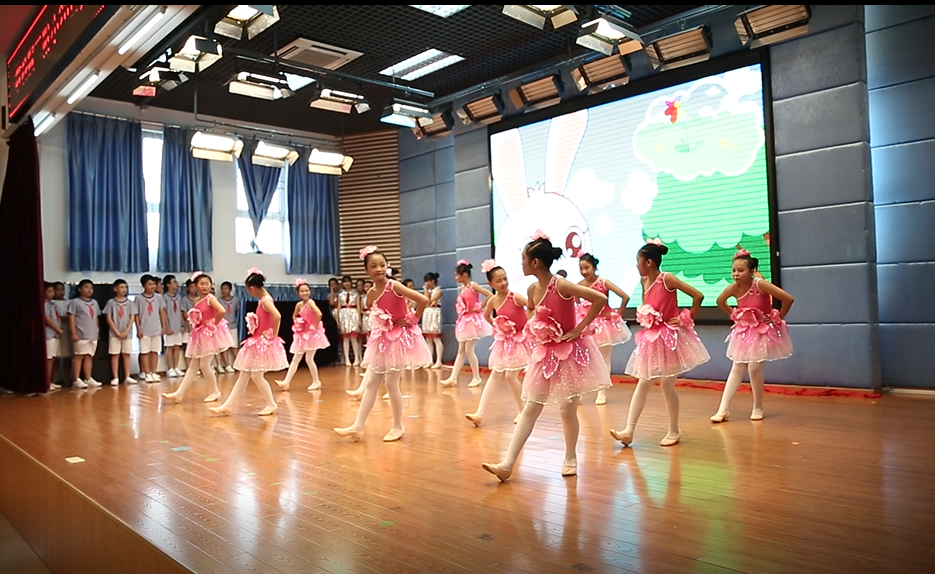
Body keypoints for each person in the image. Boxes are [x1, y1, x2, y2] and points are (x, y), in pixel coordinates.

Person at [481, 235, 610, 481]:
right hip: (546, 353)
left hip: (570, 353)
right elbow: (531, 307)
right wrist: (534, 323)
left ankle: (570, 457)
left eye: (524, 259)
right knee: (531, 407)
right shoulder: (532, 289)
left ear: (536, 262)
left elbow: (600, 299)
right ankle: (507, 464)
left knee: (567, 409)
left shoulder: (561, 285)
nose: (521, 263)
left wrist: (579, 328)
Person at [610, 241, 710, 448]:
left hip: (670, 338)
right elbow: (648, 306)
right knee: (643, 381)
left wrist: (686, 318)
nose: (636, 265)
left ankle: (674, 430)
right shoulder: (644, 281)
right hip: (652, 338)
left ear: (649, 262)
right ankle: (628, 431)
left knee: (666, 384)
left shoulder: (667, 278)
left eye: (638, 261)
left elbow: (698, 295)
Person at [334, 246, 431, 442]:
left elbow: (422, 299)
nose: (378, 269)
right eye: (373, 266)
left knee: (391, 383)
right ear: (366, 270)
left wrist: (413, 318)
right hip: (382, 339)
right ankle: (358, 426)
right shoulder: (370, 294)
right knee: (371, 383)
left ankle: (398, 426)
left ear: (387, 266)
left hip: (399, 338)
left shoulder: (394, 286)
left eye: (382, 265)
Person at [710, 250, 794, 422]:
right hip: (744, 331)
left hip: (762, 331)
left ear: (752, 271)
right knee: (737, 367)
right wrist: (735, 314)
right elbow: (720, 301)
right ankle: (723, 409)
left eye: (740, 270)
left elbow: (787, 299)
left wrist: (778, 316)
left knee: (754, 368)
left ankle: (758, 406)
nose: (736, 274)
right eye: (734, 270)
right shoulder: (734, 288)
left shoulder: (760, 284)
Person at [210, 269, 287, 416]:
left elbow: (277, 316)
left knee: (256, 376)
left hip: (262, 342)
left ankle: (271, 404)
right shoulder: (264, 300)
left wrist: (273, 335)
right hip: (257, 341)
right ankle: (227, 405)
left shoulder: (265, 300)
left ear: (252, 288)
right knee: (244, 375)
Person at [465, 260, 527, 427]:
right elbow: (486, 315)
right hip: (504, 341)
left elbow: (532, 307)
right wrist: (498, 326)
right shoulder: (493, 300)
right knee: (495, 374)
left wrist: (528, 325)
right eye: (498, 280)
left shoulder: (515, 296)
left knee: (510, 376)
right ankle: (479, 413)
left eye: (505, 278)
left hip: (519, 341)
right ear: (490, 284)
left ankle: (523, 411)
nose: (503, 283)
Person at [161, 273, 233, 404]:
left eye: (207, 284)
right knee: (193, 366)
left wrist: (213, 323)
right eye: (202, 284)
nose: (205, 286)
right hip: (200, 333)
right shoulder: (196, 301)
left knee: (204, 365)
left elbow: (221, 311)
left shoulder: (210, 298)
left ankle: (215, 391)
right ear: (196, 286)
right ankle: (179, 393)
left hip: (210, 334)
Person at [577, 253, 632, 405]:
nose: (584, 271)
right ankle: (579, 393)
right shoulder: (579, 285)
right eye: (581, 268)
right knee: (582, 360)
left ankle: (602, 392)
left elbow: (625, 297)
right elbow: (576, 302)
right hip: (586, 326)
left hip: (603, 326)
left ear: (594, 267)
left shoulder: (603, 282)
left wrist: (618, 313)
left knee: (604, 359)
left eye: (587, 268)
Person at [440, 260, 492, 387]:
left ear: (464, 275)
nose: (455, 277)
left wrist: (479, 306)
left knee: (469, 350)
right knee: (461, 351)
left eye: (457, 275)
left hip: (473, 321)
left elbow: (490, 295)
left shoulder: (473, 286)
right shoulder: (462, 288)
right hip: (465, 320)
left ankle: (476, 377)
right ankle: (453, 378)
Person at [275, 278, 330, 391]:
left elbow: (319, 314)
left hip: (312, 334)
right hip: (303, 334)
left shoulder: (311, 302)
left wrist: (314, 326)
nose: (305, 293)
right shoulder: (299, 305)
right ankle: (286, 382)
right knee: (296, 358)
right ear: (298, 293)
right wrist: (298, 322)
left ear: (310, 291)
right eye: (302, 291)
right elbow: (294, 316)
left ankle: (316, 381)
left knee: (309, 359)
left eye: (306, 290)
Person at [67, 279, 102, 388]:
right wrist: (73, 333)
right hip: (80, 334)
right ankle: (76, 379)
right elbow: (71, 318)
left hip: (92, 334)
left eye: (91, 288)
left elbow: (96, 318)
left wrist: (97, 331)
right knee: (79, 356)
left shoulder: (94, 303)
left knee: (89, 356)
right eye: (86, 287)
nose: (89, 290)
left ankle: (88, 378)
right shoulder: (75, 302)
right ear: (79, 289)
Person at [103, 279, 137, 386]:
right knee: (115, 355)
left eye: (125, 287)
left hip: (127, 333)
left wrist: (126, 331)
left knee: (126, 354)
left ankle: (127, 376)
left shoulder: (130, 303)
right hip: (114, 334)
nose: (124, 289)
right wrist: (117, 332)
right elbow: (109, 318)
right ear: (115, 289)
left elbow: (132, 318)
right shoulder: (111, 303)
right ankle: (115, 377)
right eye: (121, 287)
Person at [136, 274, 168, 383]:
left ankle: (154, 372)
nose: (152, 286)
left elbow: (162, 312)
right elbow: (136, 315)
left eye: (153, 284)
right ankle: (147, 373)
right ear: (143, 286)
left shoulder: (158, 297)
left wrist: (163, 327)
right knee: (145, 352)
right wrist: (138, 329)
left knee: (155, 351)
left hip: (156, 329)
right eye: (149, 284)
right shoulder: (139, 298)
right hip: (144, 329)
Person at [337, 275, 363, 366]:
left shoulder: (356, 294)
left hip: (353, 314)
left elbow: (358, 307)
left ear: (351, 283)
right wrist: (338, 320)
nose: (347, 283)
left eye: (348, 281)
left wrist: (359, 319)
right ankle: (347, 359)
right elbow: (339, 307)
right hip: (344, 315)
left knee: (353, 337)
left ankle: (356, 358)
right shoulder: (340, 294)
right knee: (345, 338)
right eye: (345, 282)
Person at [162, 275, 184, 377]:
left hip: (178, 325)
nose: (176, 284)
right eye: (174, 282)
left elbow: (180, 312)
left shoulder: (179, 297)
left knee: (177, 347)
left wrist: (182, 325)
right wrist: (166, 327)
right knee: (169, 347)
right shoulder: (164, 297)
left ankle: (176, 367)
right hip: (169, 326)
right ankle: (169, 368)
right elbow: (163, 313)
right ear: (168, 284)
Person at [43, 282, 64, 390]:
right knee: (48, 359)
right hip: (49, 334)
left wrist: (58, 331)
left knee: (53, 358)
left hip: (55, 334)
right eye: (49, 291)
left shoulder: (54, 305)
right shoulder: (44, 304)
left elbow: (58, 319)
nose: (52, 293)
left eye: (53, 291)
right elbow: (47, 319)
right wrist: (58, 330)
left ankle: (50, 380)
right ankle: (46, 381)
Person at [421, 272, 444, 369]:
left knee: (436, 338)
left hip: (434, 313)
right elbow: (425, 302)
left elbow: (428, 301)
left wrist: (426, 291)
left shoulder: (439, 291)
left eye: (428, 281)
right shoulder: (428, 291)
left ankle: (439, 361)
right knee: (428, 339)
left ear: (432, 281)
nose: (426, 284)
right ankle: (429, 360)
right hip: (427, 313)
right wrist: (426, 291)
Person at [217, 281, 240, 373]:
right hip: (223, 327)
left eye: (226, 289)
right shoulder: (219, 301)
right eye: (222, 289)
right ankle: (227, 365)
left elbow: (238, 312)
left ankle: (238, 364)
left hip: (233, 325)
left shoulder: (236, 300)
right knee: (224, 347)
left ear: (230, 290)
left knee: (234, 346)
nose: (224, 291)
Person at [52, 282, 71, 385]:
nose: (60, 292)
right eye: (58, 290)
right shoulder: (51, 303)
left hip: (67, 331)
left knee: (67, 356)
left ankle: (67, 379)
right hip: (55, 330)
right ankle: (54, 378)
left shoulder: (69, 302)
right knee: (56, 356)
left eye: (62, 290)